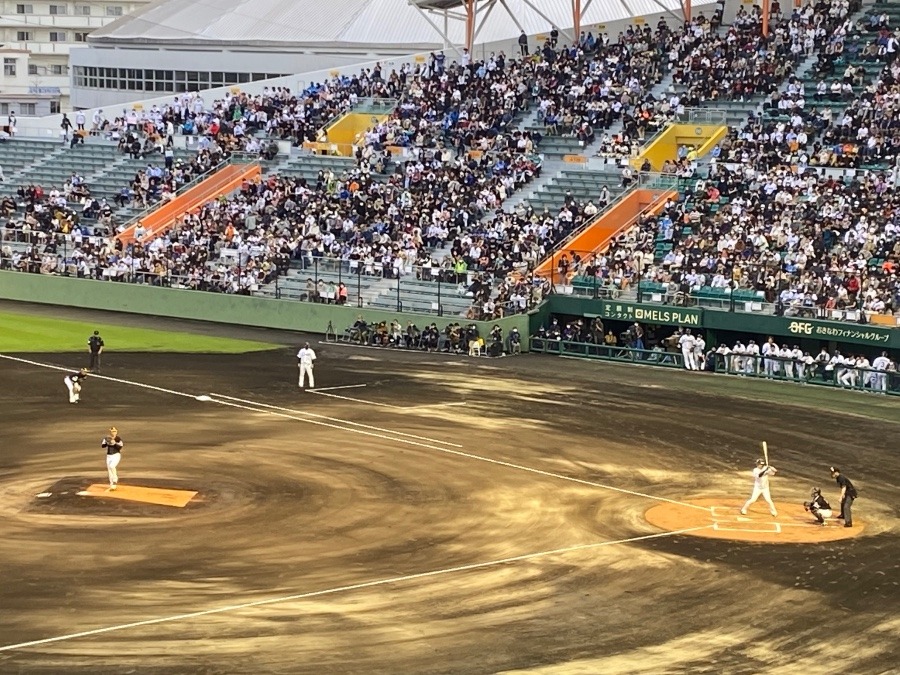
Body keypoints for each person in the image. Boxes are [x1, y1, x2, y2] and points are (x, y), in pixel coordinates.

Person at [101, 426, 123, 491]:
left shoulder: (118, 439)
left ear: (116, 432)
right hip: (109, 456)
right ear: (110, 432)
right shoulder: (107, 438)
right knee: (109, 470)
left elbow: (120, 447)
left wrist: (114, 443)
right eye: (112, 431)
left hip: (116, 455)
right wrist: (107, 442)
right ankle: (112, 485)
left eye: (114, 431)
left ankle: (115, 479)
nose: (113, 433)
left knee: (112, 466)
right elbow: (102, 446)